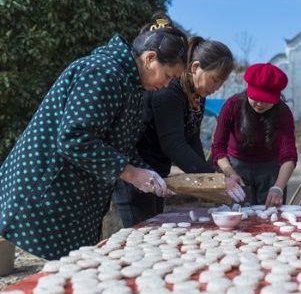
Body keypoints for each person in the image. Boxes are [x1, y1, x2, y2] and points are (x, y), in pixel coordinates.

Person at [0, 15, 189, 260]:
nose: (167, 85)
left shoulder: (129, 84)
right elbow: (74, 139)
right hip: (46, 195)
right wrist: (131, 173)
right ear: (150, 58)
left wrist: (148, 174)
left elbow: (117, 145)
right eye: (169, 75)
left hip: (73, 199)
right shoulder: (104, 73)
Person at [113, 35, 245, 228]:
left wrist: (211, 181)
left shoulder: (197, 97)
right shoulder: (169, 91)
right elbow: (173, 144)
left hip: (158, 175)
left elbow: (191, 139)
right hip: (136, 173)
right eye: (214, 79)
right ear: (195, 67)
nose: (216, 88)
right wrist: (213, 179)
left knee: (155, 231)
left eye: (221, 83)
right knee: (143, 233)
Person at [211, 63, 298, 207]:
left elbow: (289, 155)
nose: (260, 103)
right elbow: (218, 148)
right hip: (235, 165)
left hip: (270, 169)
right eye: (256, 97)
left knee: (269, 216)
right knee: (234, 213)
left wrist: (278, 187)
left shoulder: (283, 113)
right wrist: (230, 173)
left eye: (267, 99)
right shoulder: (232, 106)